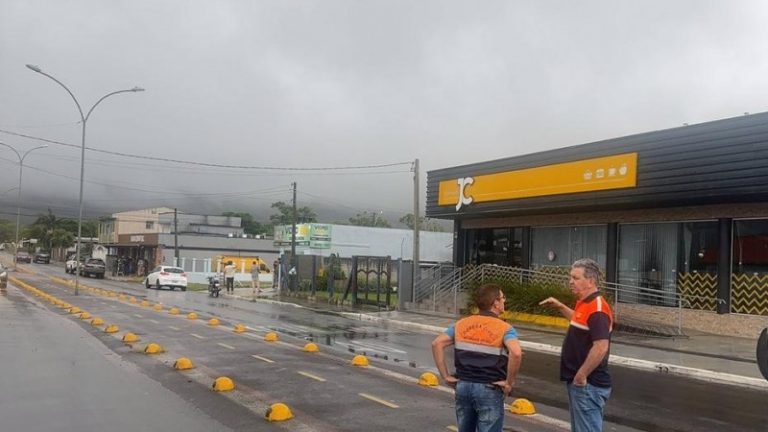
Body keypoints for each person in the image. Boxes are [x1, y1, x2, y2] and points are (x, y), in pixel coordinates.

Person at [431, 283, 522, 432]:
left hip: (463, 386)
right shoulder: (504, 328)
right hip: (489, 388)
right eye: (502, 297)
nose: (504, 300)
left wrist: (445, 376)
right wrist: (509, 383)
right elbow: (516, 353)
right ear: (495, 302)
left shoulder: (461, 324)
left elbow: (437, 343)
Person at [539, 258, 614, 432]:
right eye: (570, 277)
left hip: (588, 384)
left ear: (591, 281)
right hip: (581, 383)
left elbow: (601, 346)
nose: (570, 282)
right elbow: (579, 319)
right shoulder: (585, 303)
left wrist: (581, 375)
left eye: (576, 278)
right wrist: (560, 306)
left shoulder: (597, 309)